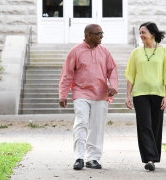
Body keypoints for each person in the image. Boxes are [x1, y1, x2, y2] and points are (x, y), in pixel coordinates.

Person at [59, 24, 118, 170]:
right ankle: (79, 157)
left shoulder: (105, 52)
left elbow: (112, 70)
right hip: (81, 93)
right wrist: (63, 94)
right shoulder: (75, 51)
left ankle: (93, 158)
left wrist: (113, 86)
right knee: (81, 122)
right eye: (98, 33)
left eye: (102, 33)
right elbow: (67, 74)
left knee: (97, 127)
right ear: (88, 35)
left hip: (100, 94)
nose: (101, 36)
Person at [124, 22, 166, 171]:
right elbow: (130, 75)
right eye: (140, 33)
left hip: (158, 94)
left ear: (152, 34)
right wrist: (128, 95)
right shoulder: (136, 52)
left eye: (143, 32)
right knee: (145, 126)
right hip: (140, 94)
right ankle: (149, 158)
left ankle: (153, 158)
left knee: (155, 126)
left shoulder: (165, 52)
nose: (141, 35)